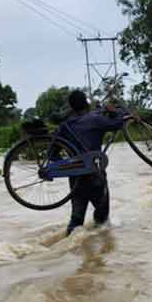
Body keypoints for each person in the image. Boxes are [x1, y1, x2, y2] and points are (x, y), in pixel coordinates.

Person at [60, 89, 130, 236]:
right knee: (102, 221)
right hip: (95, 176)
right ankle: (102, 254)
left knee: (76, 221)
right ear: (86, 103)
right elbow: (118, 123)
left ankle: (70, 244)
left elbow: (53, 152)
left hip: (75, 177)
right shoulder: (94, 120)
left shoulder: (65, 126)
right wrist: (115, 112)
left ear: (71, 107)